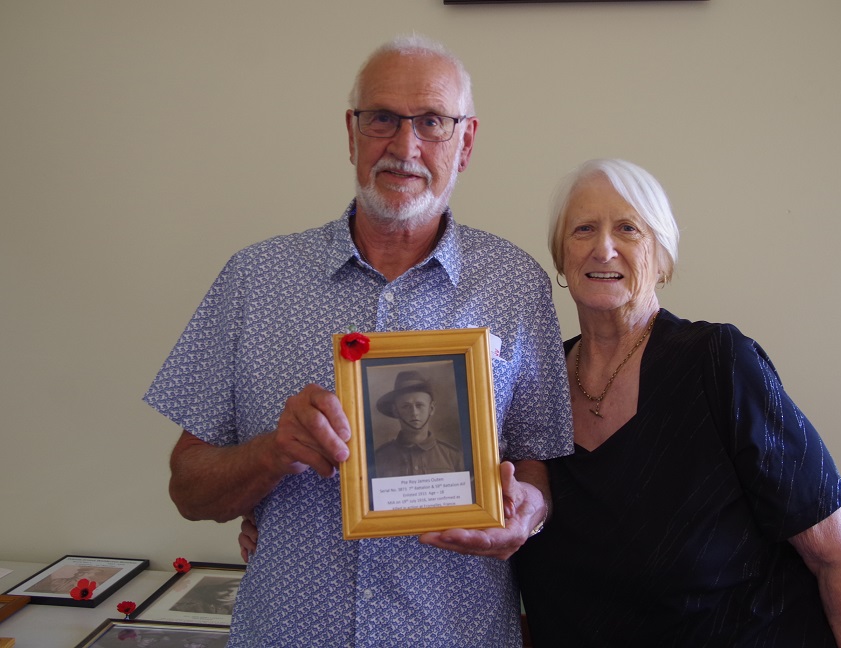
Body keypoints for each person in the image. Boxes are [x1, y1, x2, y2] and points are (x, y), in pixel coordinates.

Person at [144, 34, 572, 647]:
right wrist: (272, 452)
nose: (405, 147)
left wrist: (529, 510)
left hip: (456, 633)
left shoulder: (515, 282)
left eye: (431, 122)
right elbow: (187, 487)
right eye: (382, 120)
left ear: (466, 141)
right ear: (351, 132)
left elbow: (536, 460)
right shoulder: (255, 279)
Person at [512, 158, 841, 647]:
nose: (604, 248)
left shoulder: (719, 363)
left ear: (663, 259)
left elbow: (836, 555)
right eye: (584, 229)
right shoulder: (534, 382)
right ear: (562, 258)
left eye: (628, 229)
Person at [373, 369, 464, 478]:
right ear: (395, 411)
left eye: (419, 405)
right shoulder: (379, 458)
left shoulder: (453, 457)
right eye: (406, 406)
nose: (414, 413)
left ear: (431, 408)